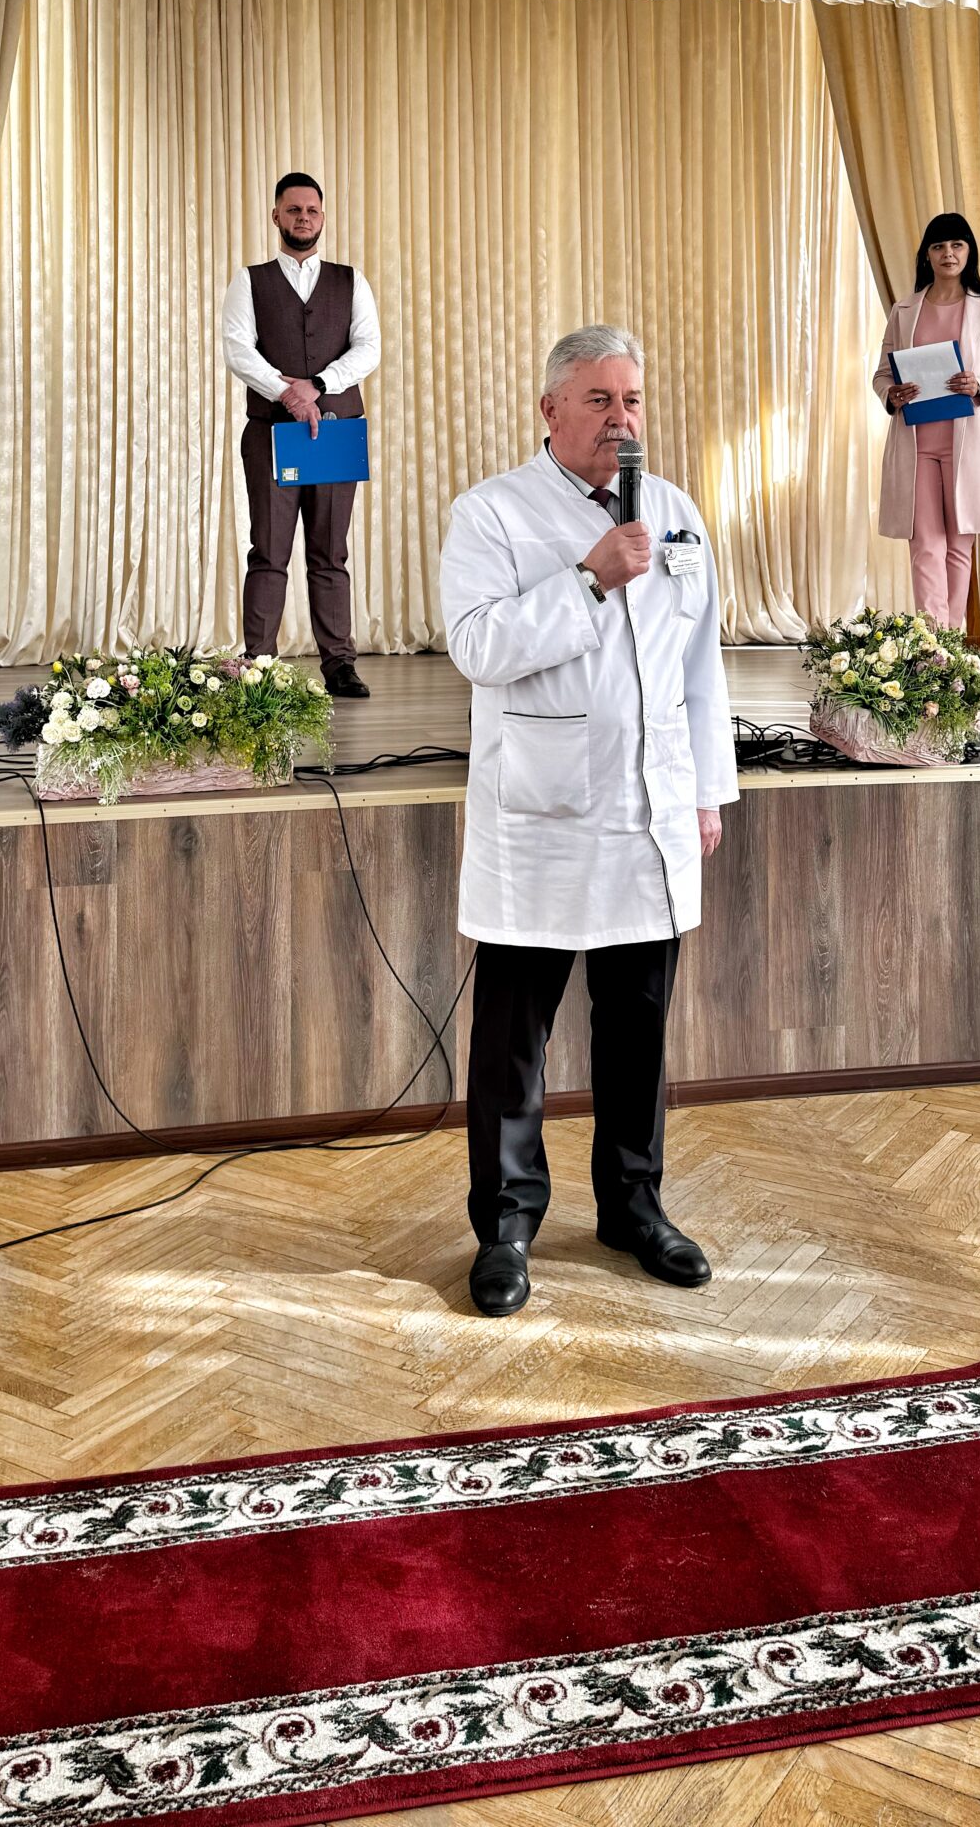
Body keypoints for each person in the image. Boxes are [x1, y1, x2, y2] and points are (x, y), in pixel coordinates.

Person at [439, 326, 738, 1320]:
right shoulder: (491, 512)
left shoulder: (678, 513)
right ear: (551, 410)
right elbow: (478, 646)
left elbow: (700, 665)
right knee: (514, 1040)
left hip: (650, 812)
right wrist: (586, 577)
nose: (622, 418)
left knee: (638, 1027)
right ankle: (506, 1223)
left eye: (633, 399)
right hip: (543, 816)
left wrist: (705, 790)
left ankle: (633, 1206)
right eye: (600, 400)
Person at [222, 172, 380, 699]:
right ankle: (259, 665)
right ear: (276, 216)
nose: (303, 218)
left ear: (323, 217)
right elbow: (238, 348)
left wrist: (317, 385)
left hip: (335, 431)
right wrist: (285, 393)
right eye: (293, 210)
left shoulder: (351, 281)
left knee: (330, 551)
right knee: (268, 550)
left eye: (311, 210)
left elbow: (369, 347)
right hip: (271, 433)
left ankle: (339, 664)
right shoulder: (249, 281)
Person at [873, 212, 980, 631]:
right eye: (939, 246)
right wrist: (891, 394)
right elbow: (882, 373)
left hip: (968, 444)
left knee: (959, 545)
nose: (948, 253)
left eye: (957, 244)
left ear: (969, 251)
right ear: (927, 255)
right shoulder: (904, 310)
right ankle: (931, 640)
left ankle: (951, 640)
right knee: (925, 544)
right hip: (917, 444)